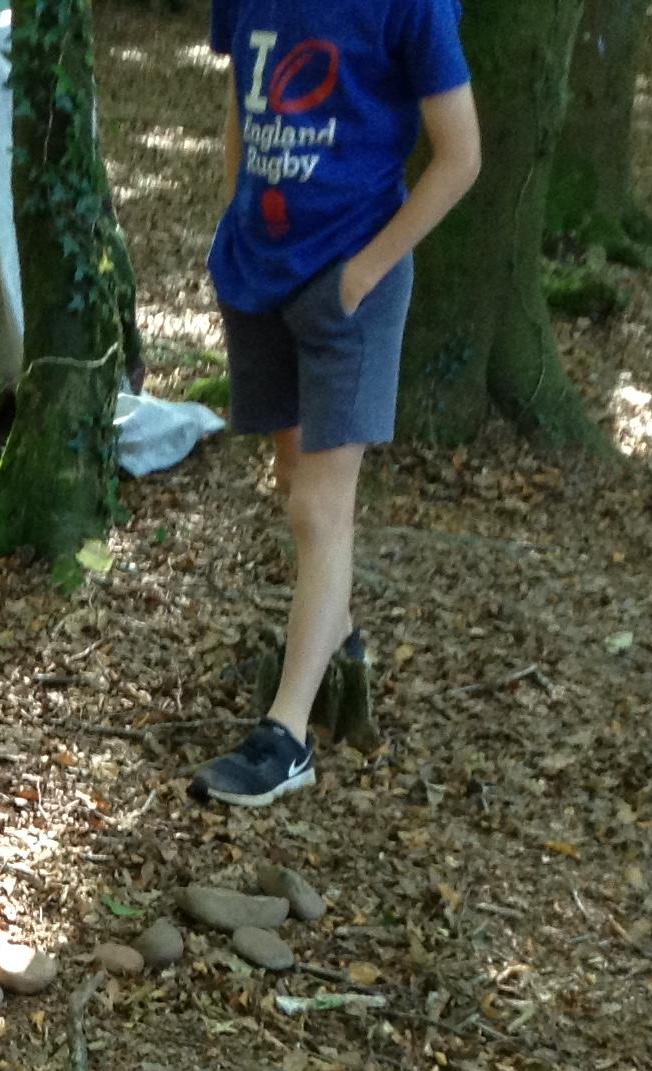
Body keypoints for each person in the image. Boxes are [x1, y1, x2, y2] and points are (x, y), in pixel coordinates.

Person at [189, 0, 479, 808]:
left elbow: (461, 155)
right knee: (291, 481)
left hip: (351, 280)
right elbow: (242, 101)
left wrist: (364, 274)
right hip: (257, 269)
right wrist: (235, 216)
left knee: (320, 507)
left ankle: (285, 737)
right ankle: (337, 636)